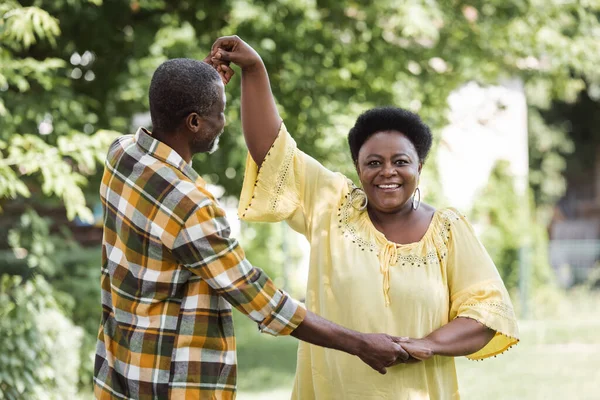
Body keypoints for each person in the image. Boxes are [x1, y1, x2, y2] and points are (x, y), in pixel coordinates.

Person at [207, 36, 520, 399]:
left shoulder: (448, 230)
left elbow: (487, 312)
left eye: (400, 162)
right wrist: (255, 69)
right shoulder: (332, 206)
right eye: (374, 163)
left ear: (419, 166)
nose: (388, 172)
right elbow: (272, 149)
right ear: (358, 168)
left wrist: (427, 344)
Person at [93, 58, 412, 400]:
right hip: (169, 382)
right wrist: (360, 343)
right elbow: (259, 298)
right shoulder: (192, 208)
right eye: (219, 111)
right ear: (194, 121)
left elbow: (176, 110)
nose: (225, 121)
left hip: (120, 369)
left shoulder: (123, 153)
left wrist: (200, 85)